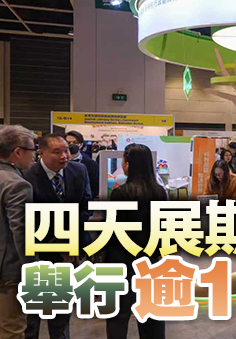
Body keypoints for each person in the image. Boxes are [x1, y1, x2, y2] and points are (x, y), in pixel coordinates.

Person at [23, 134, 92, 339]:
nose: (64, 156)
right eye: (57, 152)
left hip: (69, 252)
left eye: (66, 150)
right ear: (41, 153)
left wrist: (67, 238)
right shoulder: (27, 176)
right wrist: (56, 241)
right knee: (32, 314)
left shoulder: (79, 170)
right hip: (39, 252)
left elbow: (86, 206)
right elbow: (27, 216)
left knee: (61, 312)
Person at [105, 144, 166, 338]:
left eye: (124, 161)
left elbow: (112, 235)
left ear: (129, 164)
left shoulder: (119, 194)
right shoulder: (160, 193)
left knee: (118, 317)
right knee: (151, 317)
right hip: (150, 262)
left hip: (121, 263)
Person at [0, 126, 38, 339]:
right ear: (17, 152)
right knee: (12, 329)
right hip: (8, 272)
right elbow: (22, 234)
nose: (34, 156)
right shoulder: (17, 185)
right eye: (32, 150)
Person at [65, 130, 99, 198]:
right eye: (68, 143)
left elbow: (94, 189)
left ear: (81, 144)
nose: (71, 144)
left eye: (75, 142)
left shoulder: (91, 164)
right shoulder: (59, 161)